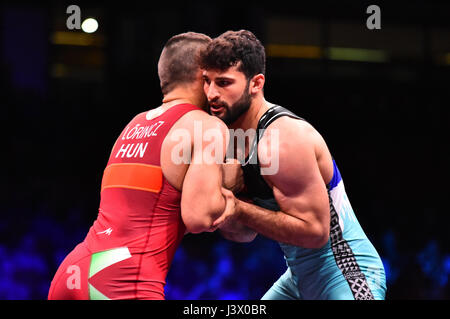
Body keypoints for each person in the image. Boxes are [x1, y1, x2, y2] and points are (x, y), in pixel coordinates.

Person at [48, 32, 236, 300]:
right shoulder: (206, 126)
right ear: (203, 76)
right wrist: (231, 199)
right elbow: (199, 217)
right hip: (122, 278)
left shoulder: (134, 124)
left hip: (74, 270)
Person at [200, 30, 387, 300]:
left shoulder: (283, 139)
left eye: (224, 83)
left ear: (256, 83)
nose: (211, 93)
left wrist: (238, 208)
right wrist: (221, 205)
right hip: (299, 279)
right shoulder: (232, 139)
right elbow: (245, 234)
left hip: (347, 273)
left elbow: (315, 233)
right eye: (207, 82)